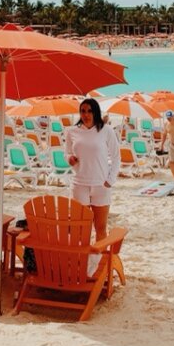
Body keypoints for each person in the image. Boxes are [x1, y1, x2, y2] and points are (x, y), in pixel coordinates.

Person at [65, 97, 120, 241]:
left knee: (100, 228)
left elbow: (116, 157)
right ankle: (80, 261)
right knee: (80, 228)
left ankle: (99, 261)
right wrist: (69, 159)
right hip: (79, 184)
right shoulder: (71, 131)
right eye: (82, 111)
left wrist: (110, 180)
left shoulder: (106, 130)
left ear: (96, 112)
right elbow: (67, 152)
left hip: (101, 184)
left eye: (89, 111)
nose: (86, 114)